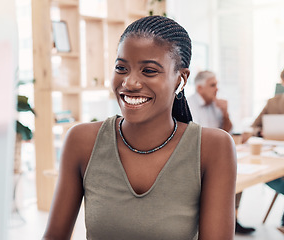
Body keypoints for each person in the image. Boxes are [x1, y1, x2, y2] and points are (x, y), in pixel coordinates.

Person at [42, 15, 237, 240]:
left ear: (180, 79)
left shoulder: (213, 148)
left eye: (149, 71)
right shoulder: (81, 141)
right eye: (121, 68)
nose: (129, 83)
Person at [187, 71, 255, 235]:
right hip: (196, 156)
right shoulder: (189, 105)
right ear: (200, 88)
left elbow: (226, 132)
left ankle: (232, 218)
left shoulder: (215, 105)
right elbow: (193, 138)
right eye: (213, 85)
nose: (217, 89)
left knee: (237, 172)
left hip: (216, 155)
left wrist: (225, 114)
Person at [252, 63, 284, 226]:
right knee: (261, 174)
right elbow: (255, 126)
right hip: (277, 153)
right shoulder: (272, 103)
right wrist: (260, 132)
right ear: (283, 81)